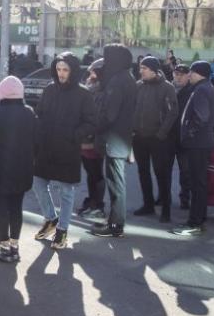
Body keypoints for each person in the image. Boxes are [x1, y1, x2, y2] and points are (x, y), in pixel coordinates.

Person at [31, 52, 98, 247]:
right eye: (58, 69)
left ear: (73, 71)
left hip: (68, 149)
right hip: (46, 147)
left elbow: (91, 122)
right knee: (38, 183)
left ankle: (62, 230)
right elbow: (40, 114)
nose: (61, 73)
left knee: (66, 192)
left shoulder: (83, 93)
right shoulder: (50, 89)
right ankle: (51, 219)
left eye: (65, 70)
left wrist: (74, 135)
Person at [0, 76, 37, 263]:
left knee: (1, 208)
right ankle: (14, 246)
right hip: (22, 170)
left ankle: (3, 247)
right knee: (16, 208)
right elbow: (37, 143)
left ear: (1, 93)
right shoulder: (29, 113)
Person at [88, 44, 137, 238]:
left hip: (114, 139)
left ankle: (116, 224)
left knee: (116, 183)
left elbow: (109, 114)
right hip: (121, 137)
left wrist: (94, 128)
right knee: (116, 181)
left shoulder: (118, 81)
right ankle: (114, 221)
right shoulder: (128, 78)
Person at [170, 61, 214, 236]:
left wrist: (188, 133)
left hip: (198, 143)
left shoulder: (201, 90)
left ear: (198, 73)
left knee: (198, 183)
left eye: (191, 72)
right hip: (201, 142)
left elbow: (201, 117)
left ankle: (195, 222)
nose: (188, 75)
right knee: (200, 183)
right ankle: (198, 219)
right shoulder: (206, 87)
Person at [131, 56, 179, 223]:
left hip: (158, 139)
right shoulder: (138, 86)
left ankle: (166, 209)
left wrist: (161, 134)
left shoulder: (167, 87)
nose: (141, 71)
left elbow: (172, 113)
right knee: (143, 172)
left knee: (162, 174)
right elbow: (131, 109)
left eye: (144, 68)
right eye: (140, 68)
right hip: (139, 138)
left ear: (153, 70)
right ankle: (148, 204)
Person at [77, 60, 106, 218]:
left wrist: (90, 135)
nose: (90, 75)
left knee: (96, 173)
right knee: (90, 172)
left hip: (94, 139)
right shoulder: (90, 89)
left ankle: (98, 205)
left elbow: (97, 117)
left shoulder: (102, 92)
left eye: (93, 72)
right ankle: (92, 201)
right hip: (85, 138)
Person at [172, 64, 192, 210]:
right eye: (176, 74)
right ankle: (162, 197)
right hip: (168, 136)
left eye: (182, 74)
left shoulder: (192, 91)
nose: (178, 77)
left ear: (188, 76)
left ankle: (185, 198)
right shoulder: (168, 88)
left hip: (184, 138)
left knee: (185, 171)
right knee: (163, 169)